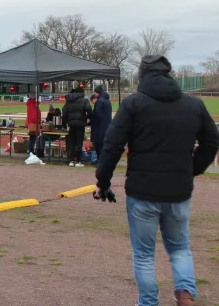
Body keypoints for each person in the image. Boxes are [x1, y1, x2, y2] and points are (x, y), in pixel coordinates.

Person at [94, 55, 219, 306]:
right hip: (178, 191)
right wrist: (192, 170)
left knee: (144, 255)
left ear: (142, 75)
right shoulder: (192, 105)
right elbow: (212, 141)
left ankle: (149, 303)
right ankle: (185, 292)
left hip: (143, 191)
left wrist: (103, 181)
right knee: (180, 247)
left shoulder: (133, 104)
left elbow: (112, 145)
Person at [62, 86, 92, 167]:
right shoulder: (85, 100)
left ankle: (71, 160)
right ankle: (78, 161)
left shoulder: (68, 101)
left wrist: (65, 122)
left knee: (72, 142)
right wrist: (88, 117)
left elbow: (64, 112)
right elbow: (89, 109)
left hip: (71, 124)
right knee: (79, 142)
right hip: (81, 124)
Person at [90, 85, 112, 162]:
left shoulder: (99, 101)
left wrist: (91, 119)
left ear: (98, 93)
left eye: (95, 93)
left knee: (99, 145)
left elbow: (97, 114)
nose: (94, 94)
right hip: (107, 126)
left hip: (99, 127)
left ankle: (100, 161)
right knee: (104, 145)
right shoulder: (108, 101)